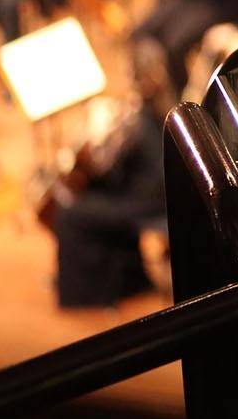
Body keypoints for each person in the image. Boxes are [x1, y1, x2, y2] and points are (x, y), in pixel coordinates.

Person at [51, 41, 172, 309]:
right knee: (91, 197)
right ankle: (125, 277)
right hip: (153, 197)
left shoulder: (136, 119)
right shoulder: (164, 107)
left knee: (70, 209)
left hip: (144, 205)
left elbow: (107, 165)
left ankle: (90, 293)